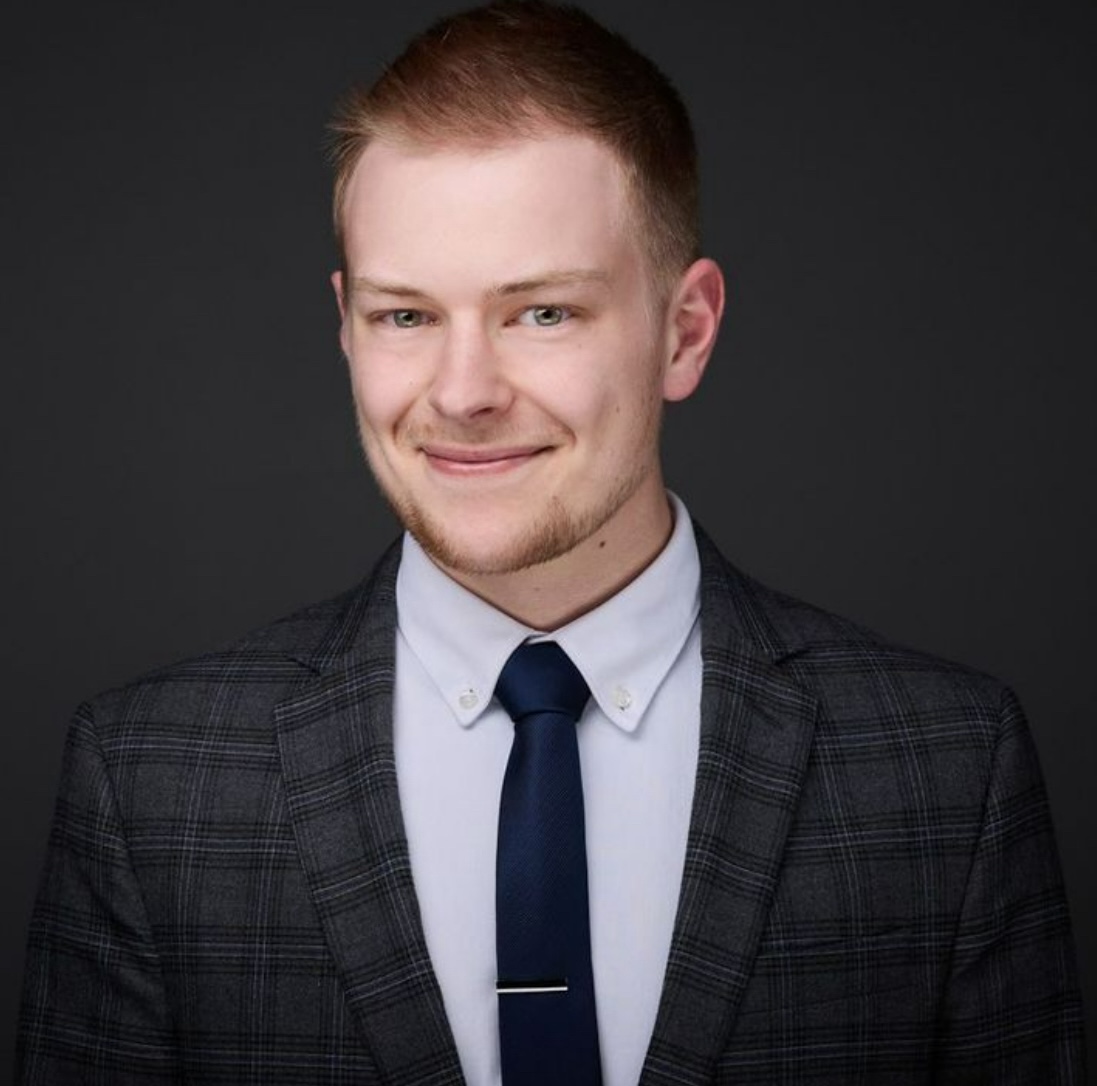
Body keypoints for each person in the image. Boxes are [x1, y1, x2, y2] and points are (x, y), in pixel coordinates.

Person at [15, 2, 1086, 1083]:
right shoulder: (148, 782)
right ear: (345, 325)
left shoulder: (947, 770)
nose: (463, 394)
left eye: (541, 314)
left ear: (684, 330)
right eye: (405, 316)